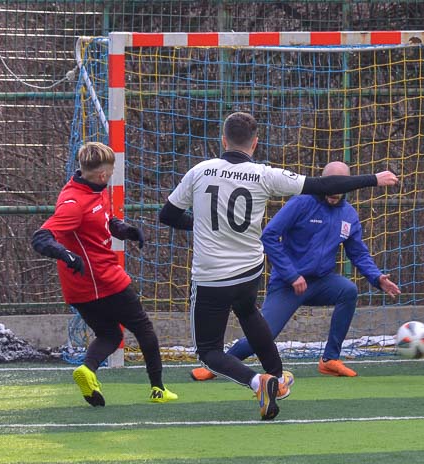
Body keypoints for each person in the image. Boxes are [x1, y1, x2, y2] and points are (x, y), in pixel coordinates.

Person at [159, 111, 398, 420]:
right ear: (255, 143)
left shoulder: (200, 171)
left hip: (212, 276)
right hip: (249, 273)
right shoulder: (265, 174)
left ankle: (259, 381)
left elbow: (167, 216)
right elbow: (321, 185)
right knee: (249, 314)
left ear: (223, 139)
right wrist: (374, 179)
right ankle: (278, 376)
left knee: (208, 352)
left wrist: (201, 224)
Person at [191, 161, 400, 381]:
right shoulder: (301, 203)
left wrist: (377, 277)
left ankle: (330, 359)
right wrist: (291, 274)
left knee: (348, 290)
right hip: (287, 284)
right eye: (331, 187)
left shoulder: (348, 215)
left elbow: (358, 252)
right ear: (323, 182)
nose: (335, 193)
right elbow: (269, 236)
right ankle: (217, 364)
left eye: (341, 188)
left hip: (321, 283)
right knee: (265, 335)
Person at [31, 141, 177, 407]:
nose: (110, 176)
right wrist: (66, 254)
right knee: (143, 327)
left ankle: (87, 370)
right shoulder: (73, 202)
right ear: (102, 174)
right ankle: (158, 389)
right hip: (100, 279)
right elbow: (41, 237)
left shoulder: (97, 188)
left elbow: (106, 220)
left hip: (79, 286)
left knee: (110, 335)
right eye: (110, 172)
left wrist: (124, 229)